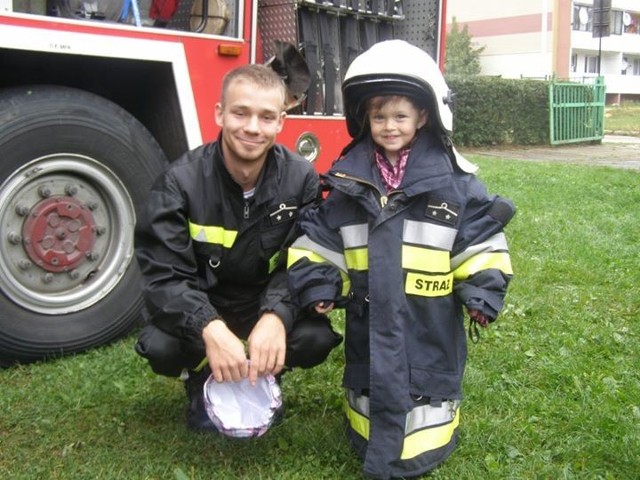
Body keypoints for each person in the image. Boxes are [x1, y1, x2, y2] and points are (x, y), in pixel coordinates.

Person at [287, 40, 515, 479]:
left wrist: (482, 292)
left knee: (425, 383)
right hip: (368, 327)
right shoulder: (350, 182)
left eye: (400, 116)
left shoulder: (455, 187)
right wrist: (319, 285)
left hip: (428, 324)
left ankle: (423, 441)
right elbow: (316, 242)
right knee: (371, 378)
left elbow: (481, 240)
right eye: (378, 117)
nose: (389, 126)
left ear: (425, 115)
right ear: (364, 119)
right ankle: (370, 432)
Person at [134, 64, 342, 432]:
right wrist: (209, 327)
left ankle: (264, 375)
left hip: (261, 299)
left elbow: (307, 258)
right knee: (159, 345)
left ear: (281, 122)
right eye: (240, 113)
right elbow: (163, 277)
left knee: (315, 337)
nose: (252, 128)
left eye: (265, 117)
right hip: (206, 299)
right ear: (220, 114)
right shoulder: (178, 183)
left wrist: (277, 315)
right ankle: (201, 381)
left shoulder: (302, 179)